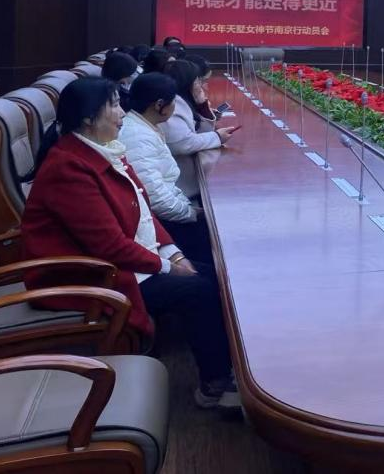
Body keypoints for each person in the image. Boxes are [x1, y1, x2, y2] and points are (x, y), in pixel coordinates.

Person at [20, 77, 238, 409]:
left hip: (122, 263)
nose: (123, 113)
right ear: (89, 118)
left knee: (215, 274)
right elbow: (108, 246)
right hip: (89, 276)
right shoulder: (69, 168)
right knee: (200, 290)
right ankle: (216, 384)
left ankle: (225, 371)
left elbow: (144, 212)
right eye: (114, 106)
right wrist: (167, 267)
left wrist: (174, 253)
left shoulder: (106, 150)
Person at [119, 72, 213, 264]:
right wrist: (191, 213)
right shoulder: (138, 137)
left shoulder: (145, 126)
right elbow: (156, 198)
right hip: (161, 223)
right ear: (159, 105)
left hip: (167, 214)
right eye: (174, 102)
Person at [162, 59, 235, 198]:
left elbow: (203, 132)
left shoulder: (184, 102)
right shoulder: (173, 106)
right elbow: (184, 143)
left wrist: (203, 107)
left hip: (186, 182)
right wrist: (217, 137)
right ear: (187, 84)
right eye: (198, 82)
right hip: (179, 188)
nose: (202, 87)